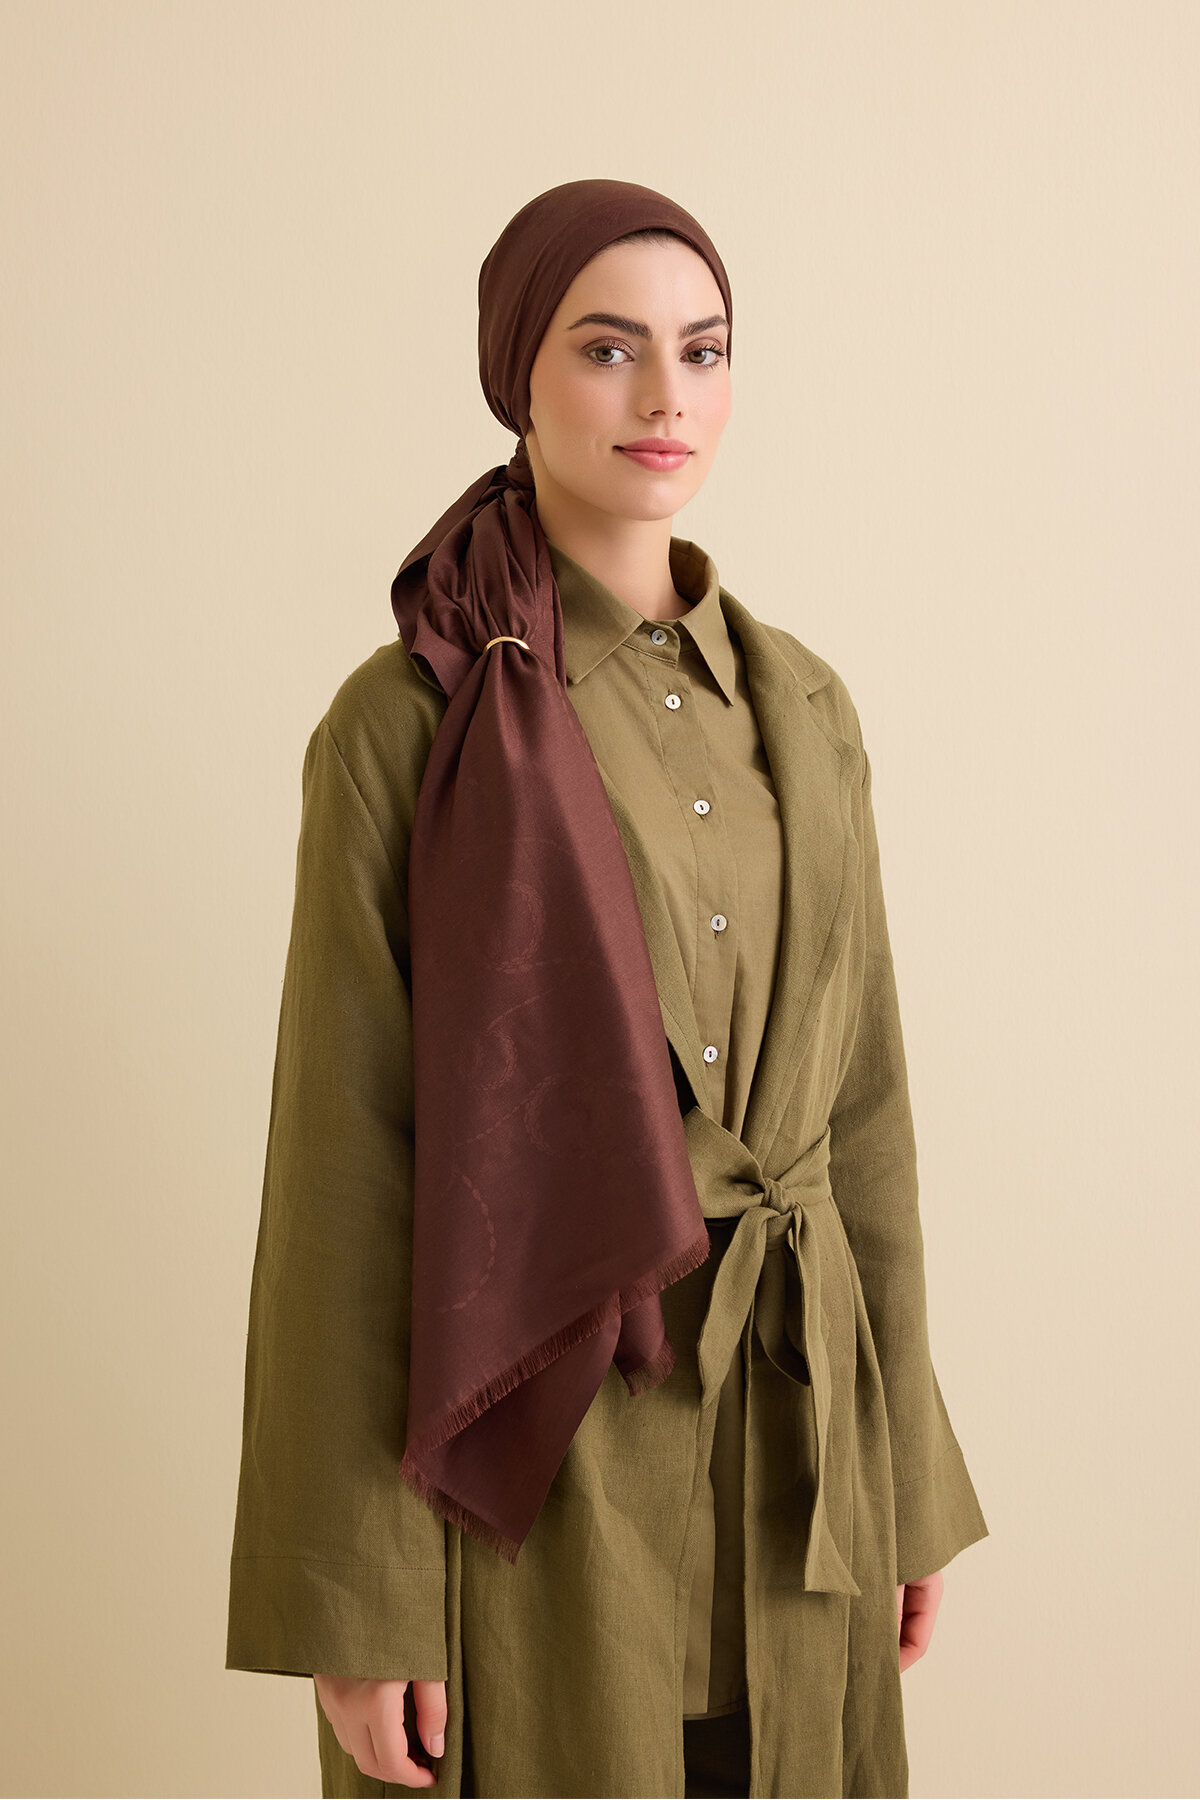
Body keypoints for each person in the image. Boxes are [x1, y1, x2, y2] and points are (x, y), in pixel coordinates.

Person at [225, 180, 988, 1800]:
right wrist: (359, 1604)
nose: (663, 397)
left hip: (796, 1459)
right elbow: (345, 1178)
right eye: (606, 348)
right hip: (540, 1482)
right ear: (517, 375)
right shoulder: (412, 726)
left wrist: (904, 1480)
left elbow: (863, 1121)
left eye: (703, 351)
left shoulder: (807, 710)